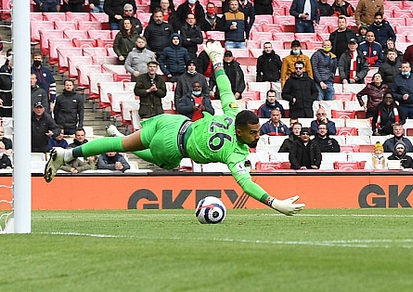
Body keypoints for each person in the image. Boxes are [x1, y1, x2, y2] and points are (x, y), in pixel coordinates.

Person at [46, 42, 304, 215]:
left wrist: (215, 59)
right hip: (171, 146)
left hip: (173, 121)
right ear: (239, 132)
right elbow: (246, 185)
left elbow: (224, 88)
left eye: (257, 131)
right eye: (253, 133)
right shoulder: (235, 153)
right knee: (162, 162)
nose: (257, 135)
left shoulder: (234, 113)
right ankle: (109, 141)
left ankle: (67, 154)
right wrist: (275, 203)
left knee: (119, 145)